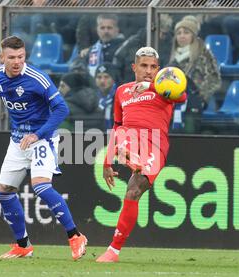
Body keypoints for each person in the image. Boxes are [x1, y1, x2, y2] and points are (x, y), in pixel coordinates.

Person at [0, 36, 87, 260]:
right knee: (3, 192)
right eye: (12, 57)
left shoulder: (37, 79)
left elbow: (61, 110)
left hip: (41, 139)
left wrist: (37, 134)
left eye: (21, 57)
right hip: (18, 141)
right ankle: (23, 245)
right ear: (2, 57)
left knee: (41, 186)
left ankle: (75, 236)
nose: (17, 62)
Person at [96, 47, 187, 263]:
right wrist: (106, 161)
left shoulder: (164, 89)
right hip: (128, 136)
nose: (148, 71)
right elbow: (116, 125)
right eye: (144, 66)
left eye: (153, 67)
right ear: (134, 67)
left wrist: (152, 85)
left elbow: (182, 96)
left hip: (155, 143)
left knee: (134, 188)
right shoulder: (121, 91)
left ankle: (131, 157)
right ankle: (113, 252)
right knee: (125, 136)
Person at [168, 15, 221, 133]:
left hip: (193, 105)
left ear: (193, 35)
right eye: (179, 33)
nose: (182, 36)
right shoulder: (173, 57)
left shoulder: (203, 54)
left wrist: (200, 97)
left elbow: (214, 79)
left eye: (186, 32)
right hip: (173, 105)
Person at [72, 14, 125, 79]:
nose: (106, 31)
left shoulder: (124, 48)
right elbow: (77, 64)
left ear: (117, 30)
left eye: (109, 28)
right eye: (102, 28)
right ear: (97, 30)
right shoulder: (93, 49)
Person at [95, 62, 119, 130]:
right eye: (99, 77)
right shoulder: (91, 98)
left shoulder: (121, 97)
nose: (102, 81)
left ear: (113, 79)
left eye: (106, 77)